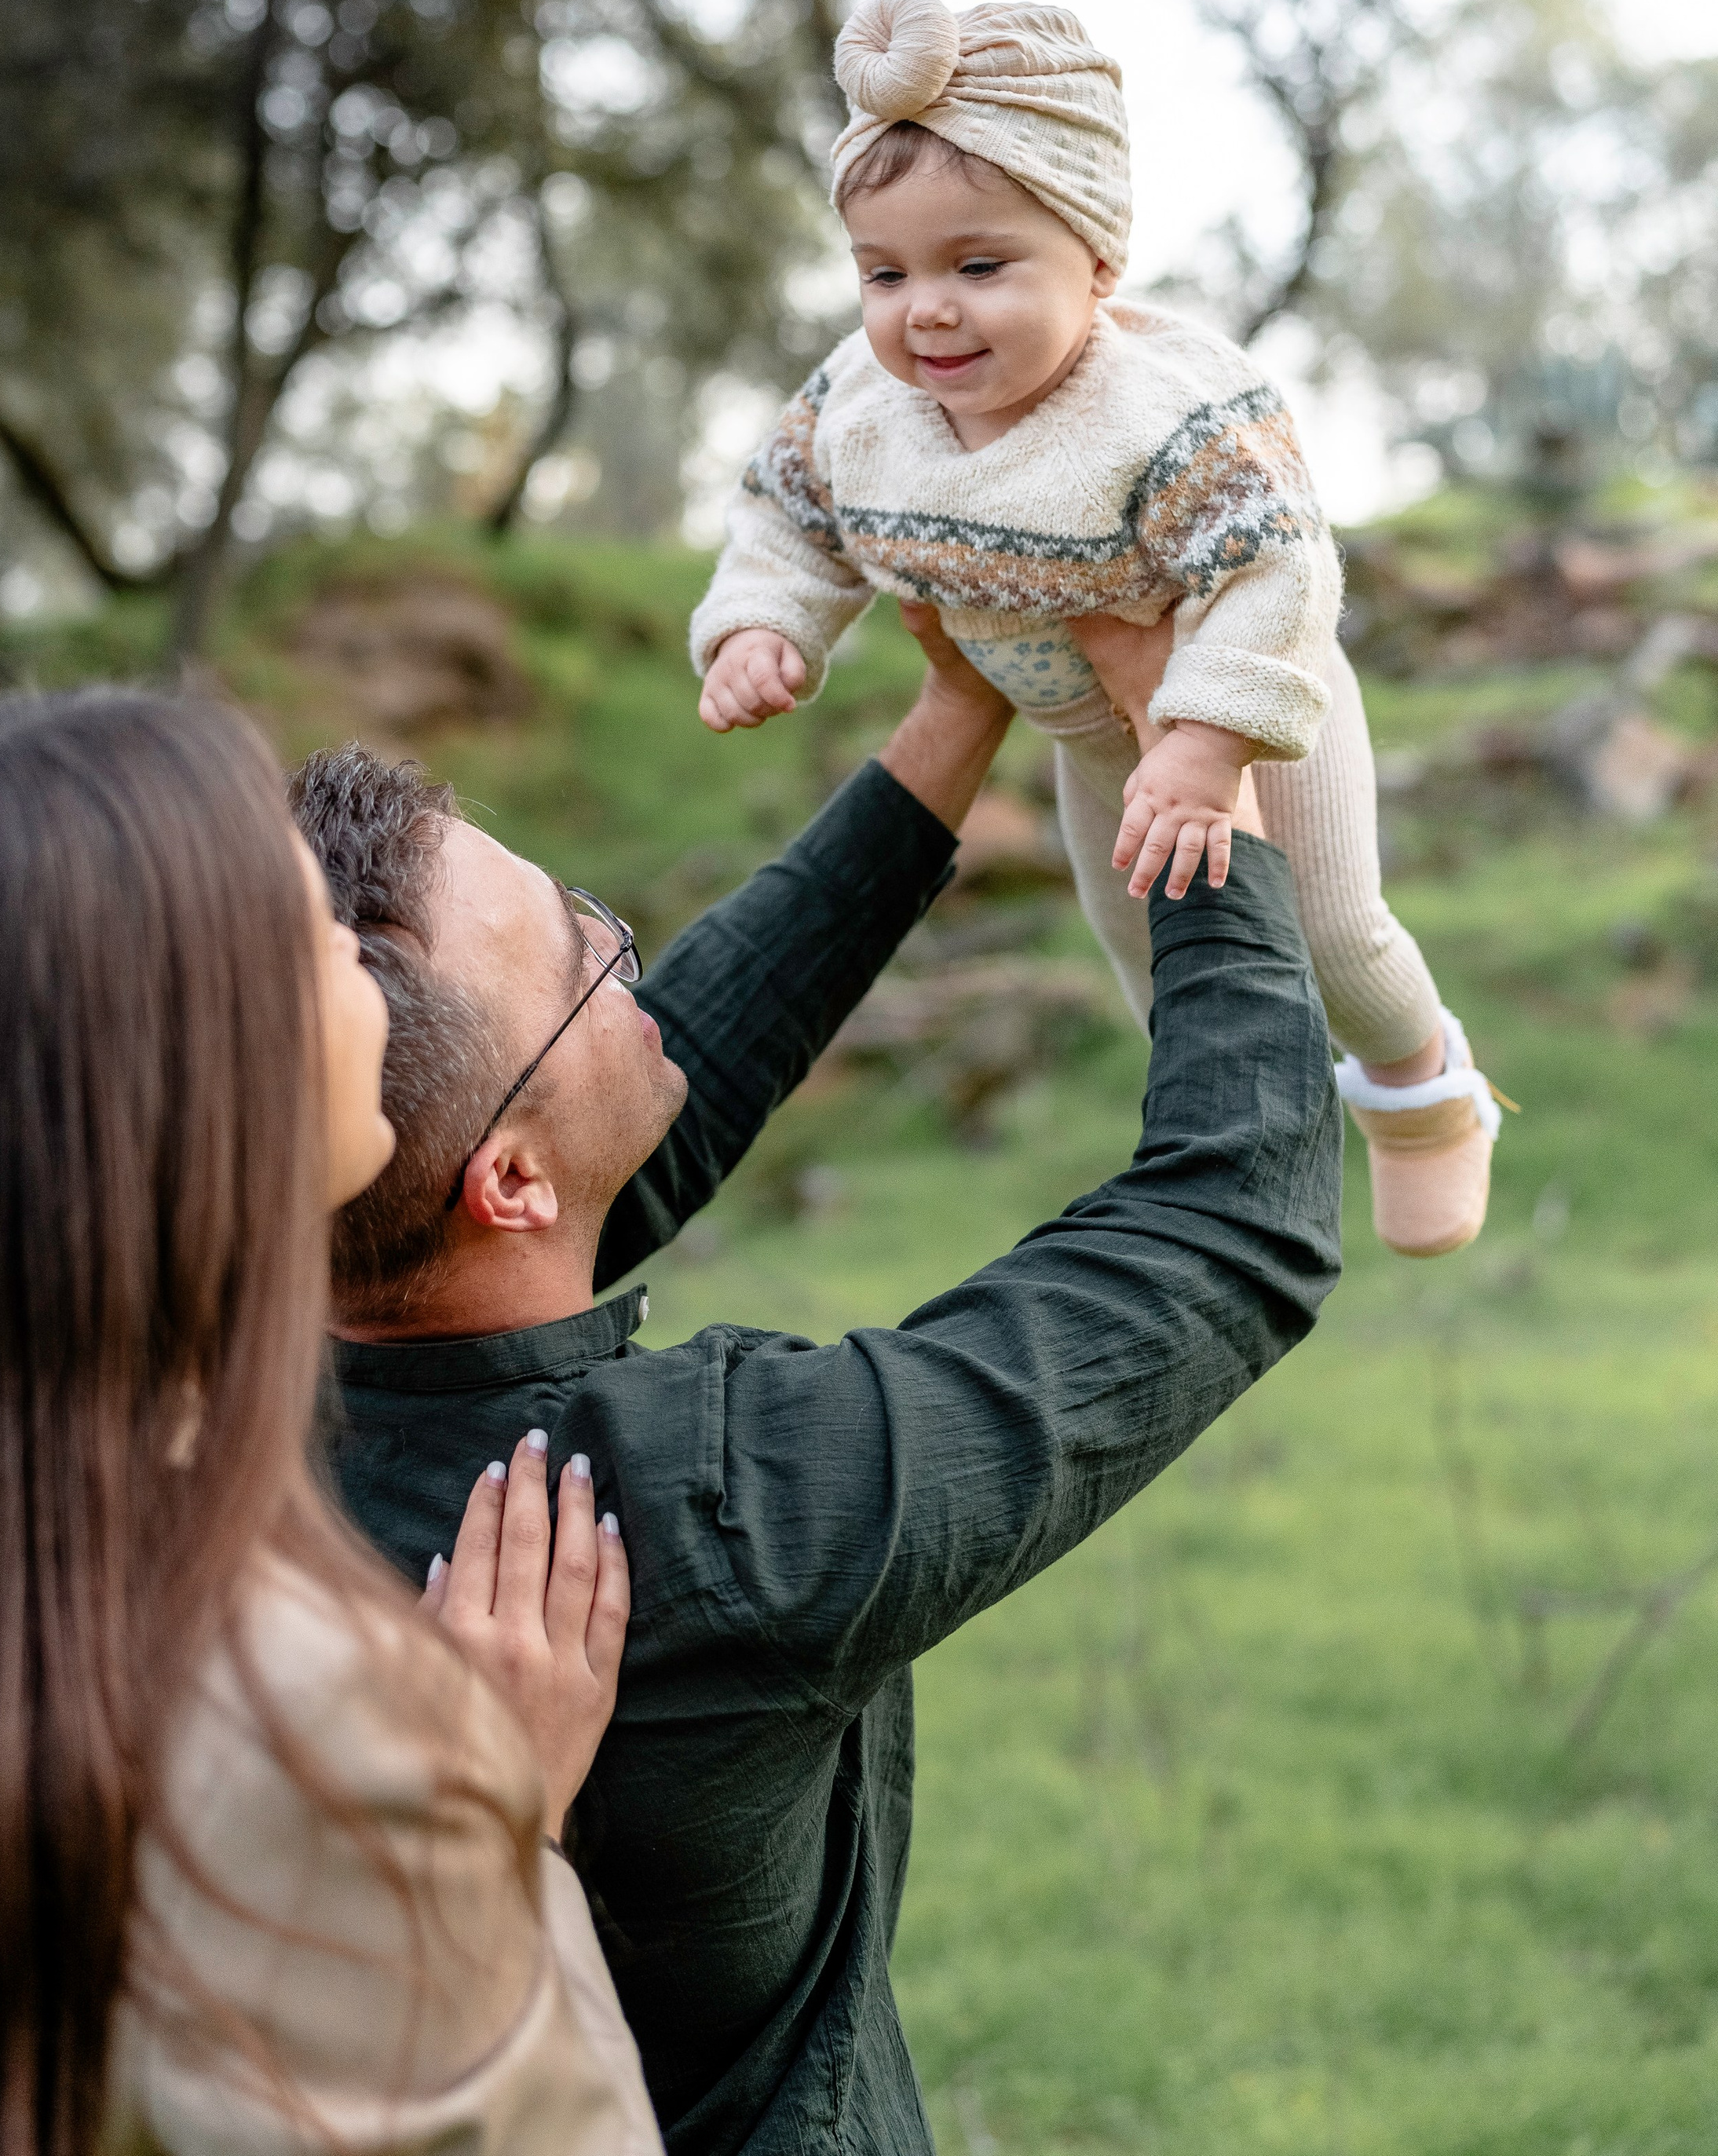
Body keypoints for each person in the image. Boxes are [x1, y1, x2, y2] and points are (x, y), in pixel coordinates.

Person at [297, 610, 1339, 2156]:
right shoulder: (712, 1507)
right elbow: (1237, 1213)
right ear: (505, 1181)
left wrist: (949, 722)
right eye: (588, 959)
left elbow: (625, 1111)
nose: (623, 958)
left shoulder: (244, 1420)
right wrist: (1199, 776)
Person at [0, 689, 661, 2156]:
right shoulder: (334, 1736)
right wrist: (510, 1846)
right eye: (324, 946)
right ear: (203, 1087)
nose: (365, 972)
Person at [689, 0, 1508, 1256]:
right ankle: (1247, 1133)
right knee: (1149, 953)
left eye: (979, 265)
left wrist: (1201, 740)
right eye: (884, 272)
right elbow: (787, 512)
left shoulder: (1159, 409)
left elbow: (1277, 569)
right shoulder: (860, 404)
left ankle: (1424, 1094)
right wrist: (766, 626)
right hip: (1088, 736)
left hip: (1248, 709)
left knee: (1335, 930)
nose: (928, 310)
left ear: (1099, 260)